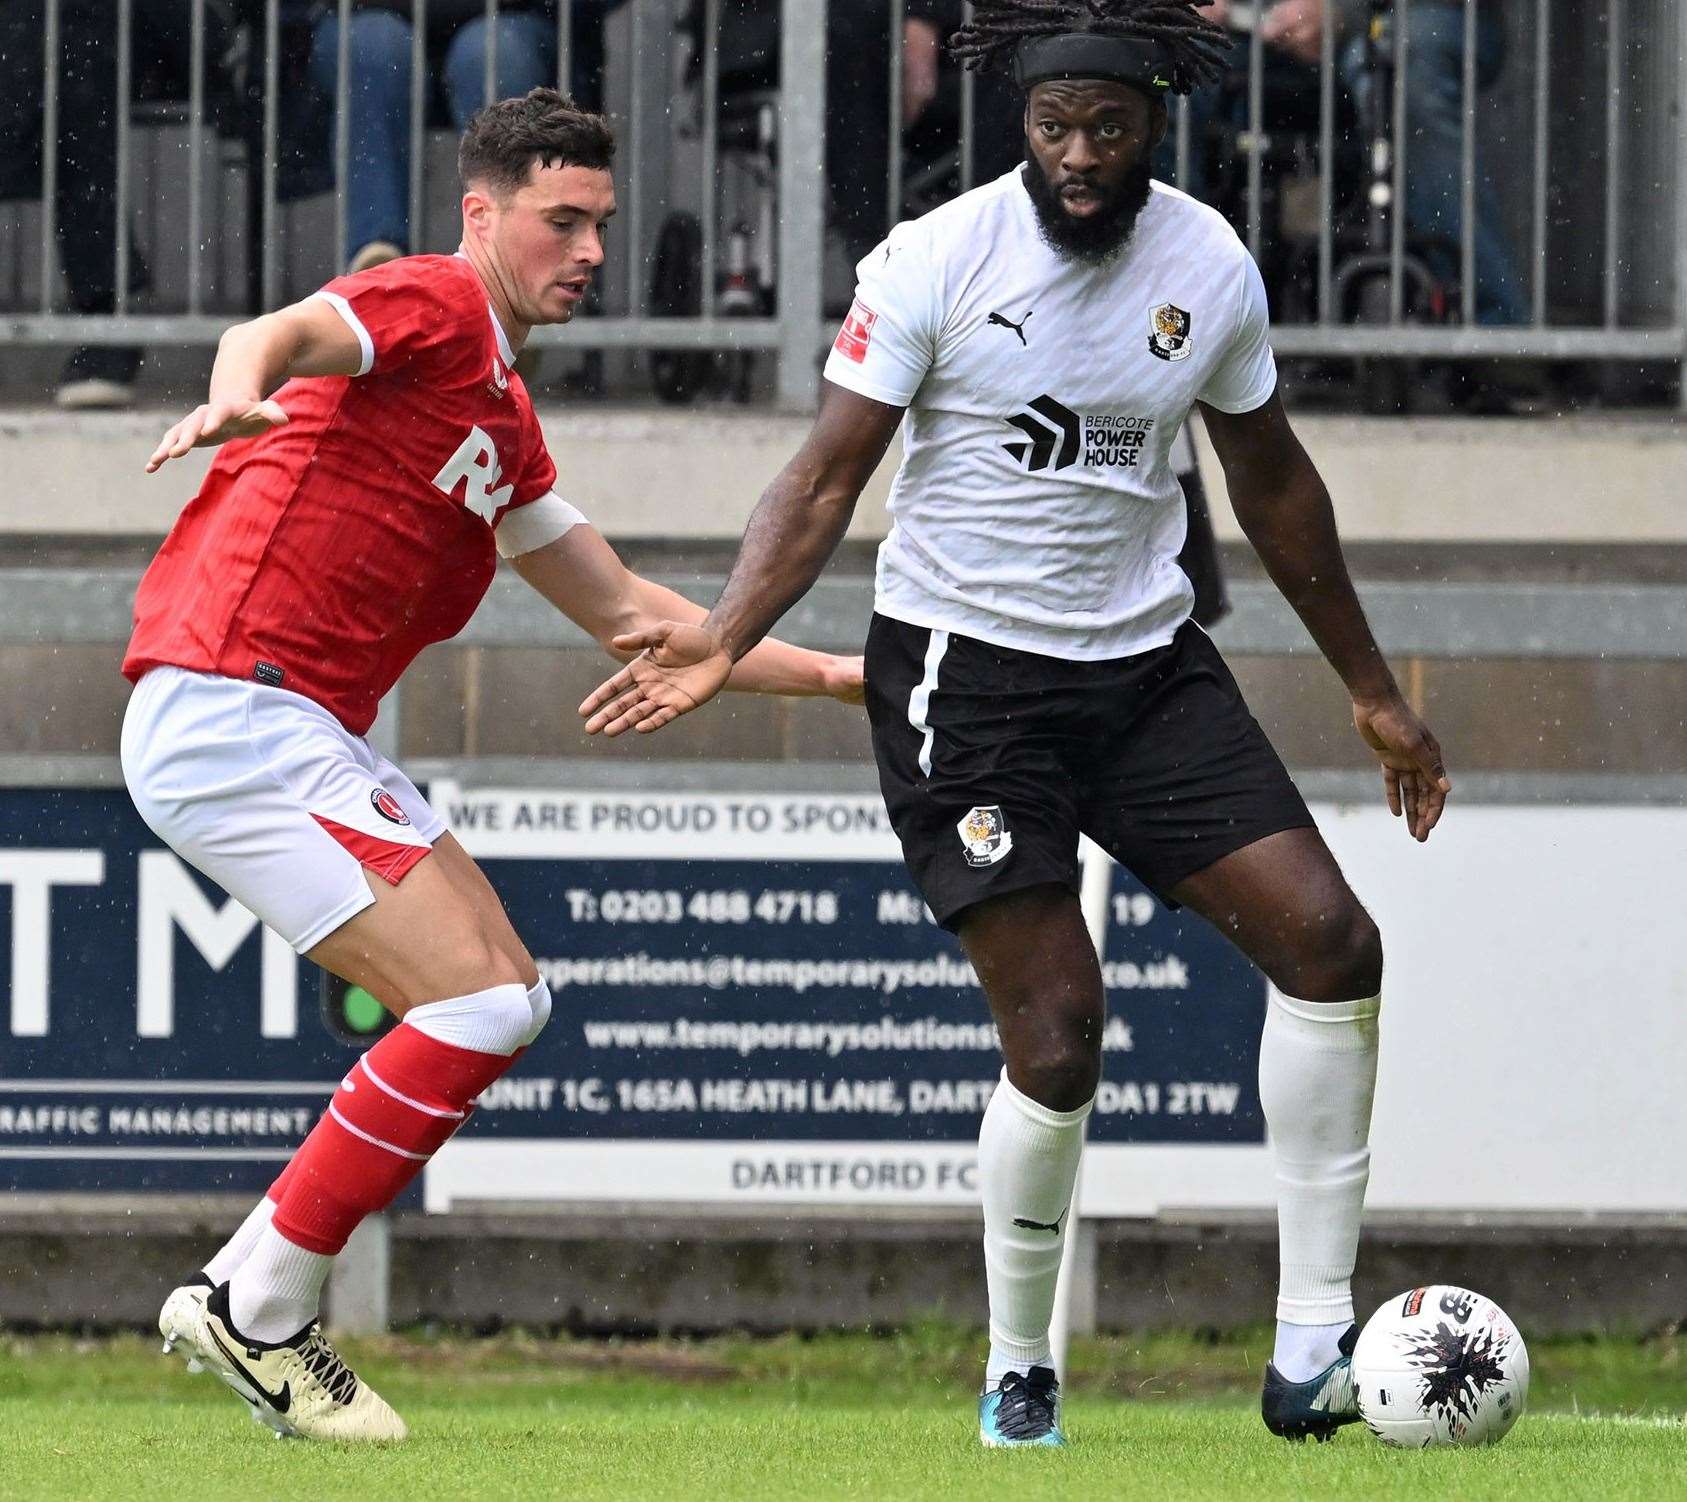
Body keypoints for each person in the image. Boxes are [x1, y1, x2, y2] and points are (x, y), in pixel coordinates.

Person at [578, 0, 1452, 1450]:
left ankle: (1309, 1346)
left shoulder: (1207, 262)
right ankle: (1019, 1361)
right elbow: (817, 483)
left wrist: (1369, 688)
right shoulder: (932, 260)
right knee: (1060, 1032)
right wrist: (724, 639)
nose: (1079, 159)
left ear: (1154, 120)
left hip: (1143, 669)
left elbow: (1272, 483)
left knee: (1330, 943)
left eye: (1106, 128)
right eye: (1053, 130)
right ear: (1019, 128)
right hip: (963, 684)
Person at [126, 87, 863, 1443]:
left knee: (503, 1001)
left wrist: (843, 679)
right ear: (483, 213)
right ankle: (257, 1303)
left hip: (281, 725)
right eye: (560, 220)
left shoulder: (505, 422)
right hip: (236, 704)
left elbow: (636, 616)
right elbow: (276, 332)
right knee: (473, 1006)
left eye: (599, 223)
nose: (587, 248)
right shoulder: (434, 302)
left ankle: (255, 1292)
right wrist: (236, 397)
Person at [0, 0, 236, 407]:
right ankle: (109, 307)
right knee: (58, 54)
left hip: (148, 26)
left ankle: (108, 308)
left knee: (68, 49)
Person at [309, 2, 630, 271]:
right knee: (373, 51)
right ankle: (377, 261)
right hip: (367, 18)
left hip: (512, 18)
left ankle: (510, 260)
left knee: (493, 57)